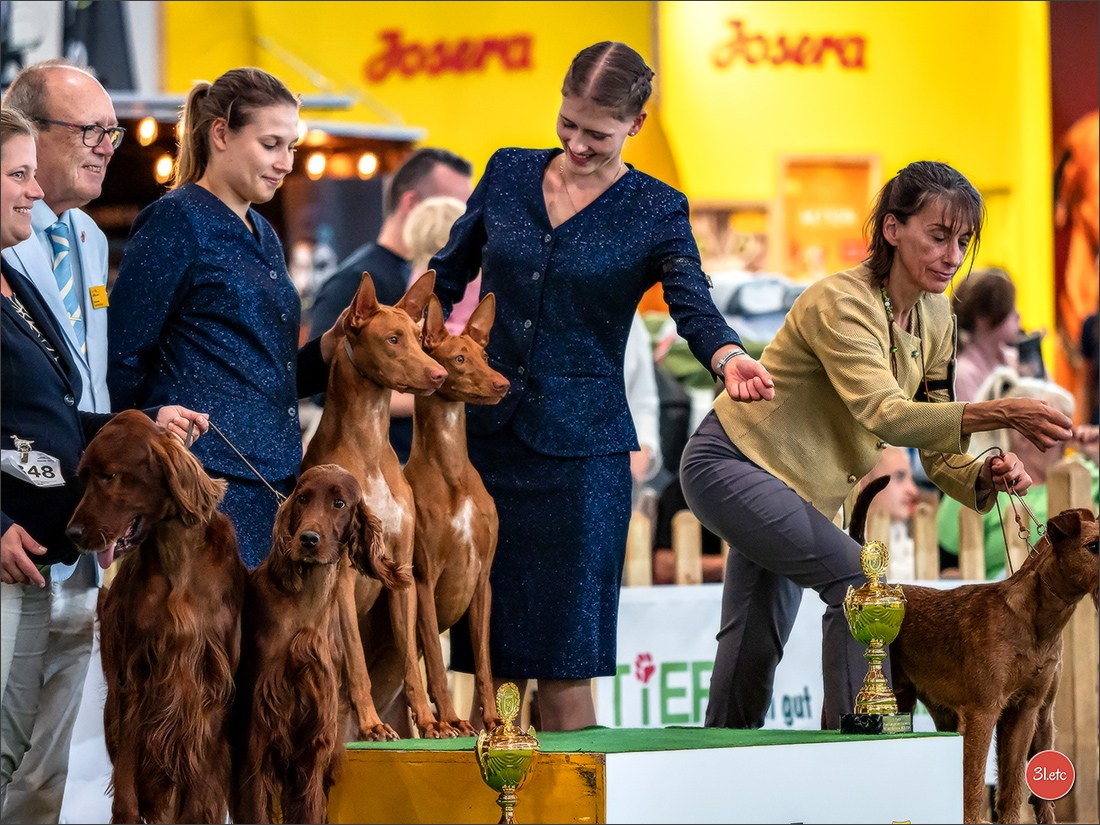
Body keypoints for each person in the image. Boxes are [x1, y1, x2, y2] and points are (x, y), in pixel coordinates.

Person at [430, 41, 773, 731]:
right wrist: (415, 341)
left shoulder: (657, 208)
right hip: (489, 449)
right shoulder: (507, 172)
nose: (577, 144)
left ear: (636, 125)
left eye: (598, 132)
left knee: (565, 668)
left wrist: (727, 354)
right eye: (567, 124)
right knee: (486, 665)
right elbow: (446, 272)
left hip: (584, 461)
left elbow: (692, 302)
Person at [679, 160, 1076, 731]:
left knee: (751, 648)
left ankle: (718, 787)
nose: (953, 255)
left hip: (795, 491)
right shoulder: (838, 301)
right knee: (860, 586)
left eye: (963, 241)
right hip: (729, 463)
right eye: (938, 236)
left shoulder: (939, 314)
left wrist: (983, 473)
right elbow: (885, 414)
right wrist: (1002, 411)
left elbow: (938, 445)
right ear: (892, 229)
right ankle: (856, 749)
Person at [0, 105, 208, 818]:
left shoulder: (14, 277)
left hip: (52, 550)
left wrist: (145, 427)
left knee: (31, 765)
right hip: (13, 549)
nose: (31, 190)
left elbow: (49, 417)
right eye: (17, 174)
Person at [107, 68, 343, 570]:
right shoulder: (176, 218)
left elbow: (266, 375)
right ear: (220, 134)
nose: (286, 163)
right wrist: (135, 467)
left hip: (276, 479)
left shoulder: (265, 231)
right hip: (204, 481)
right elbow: (122, 355)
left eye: (292, 147)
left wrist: (328, 350)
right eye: (272, 144)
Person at [0, 60, 119, 824]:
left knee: (47, 759)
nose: (108, 146)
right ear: (30, 136)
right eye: (89, 131)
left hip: (76, 528)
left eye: (111, 132)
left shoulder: (90, 239)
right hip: (14, 531)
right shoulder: (13, 232)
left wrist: (114, 487)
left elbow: (81, 387)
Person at [308, 148, 474, 463]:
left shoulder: (434, 279)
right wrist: (442, 388)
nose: (464, 221)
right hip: (381, 464)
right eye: (453, 208)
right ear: (412, 203)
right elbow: (322, 388)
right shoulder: (354, 281)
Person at [938, 367, 1099, 579]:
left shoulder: (1088, 475)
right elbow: (944, 567)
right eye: (1060, 428)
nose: (1070, 437)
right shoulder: (977, 481)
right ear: (1024, 435)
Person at [951, 266, 1021, 401]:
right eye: (1008, 308)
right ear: (982, 316)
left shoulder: (1014, 359)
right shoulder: (963, 375)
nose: (1018, 315)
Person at [856, 445, 919, 582]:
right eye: (899, 477)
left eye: (911, 478)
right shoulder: (842, 546)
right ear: (863, 483)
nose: (913, 490)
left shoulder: (912, 549)